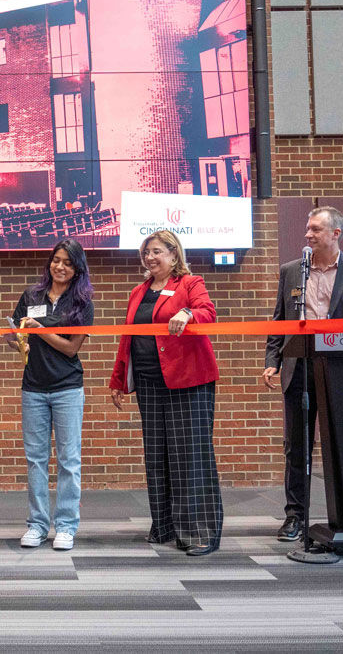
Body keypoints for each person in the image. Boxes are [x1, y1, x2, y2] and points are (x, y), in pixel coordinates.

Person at [263, 206, 343, 542]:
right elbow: (279, 321)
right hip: (299, 369)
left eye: (315, 229)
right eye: (307, 229)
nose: (307, 235)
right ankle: (295, 517)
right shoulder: (292, 271)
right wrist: (272, 358)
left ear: (336, 233)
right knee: (296, 447)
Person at [109, 229, 223, 556]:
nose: (150, 258)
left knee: (190, 457)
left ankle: (200, 532)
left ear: (174, 255)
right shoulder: (138, 291)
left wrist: (187, 313)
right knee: (157, 456)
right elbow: (128, 338)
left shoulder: (189, 283)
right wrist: (119, 380)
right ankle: (164, 526)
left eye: (157, 251)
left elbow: (208, 312)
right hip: (148, 382)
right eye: (146, 253)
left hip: (189, 381)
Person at [6, 238, 94, 551]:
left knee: (69, 460)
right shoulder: (31, 294)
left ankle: (67, 526)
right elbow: (12, 332)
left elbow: (71, 348)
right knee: (36, 460)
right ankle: (37, 525)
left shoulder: (82, 301)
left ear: (77, 268)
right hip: (33, 388)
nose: (60, 266)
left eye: (68, 263)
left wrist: (40, 330)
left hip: (67, 388)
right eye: (56, 260)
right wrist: (18, 338)